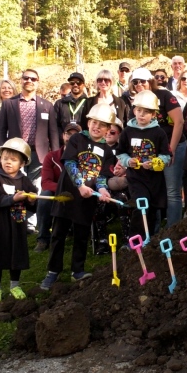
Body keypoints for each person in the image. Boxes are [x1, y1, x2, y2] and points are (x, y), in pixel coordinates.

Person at [40, 104, 116, 289]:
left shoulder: (107, 151)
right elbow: (70, 162)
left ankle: (78, 271)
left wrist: (103, 190)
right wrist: (80, 185)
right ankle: (53, 272)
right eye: (94, 122)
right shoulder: (76, 139)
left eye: (102, 125)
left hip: (86, 201)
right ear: (88, 122)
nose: (97, 127)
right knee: (58, 234)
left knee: (82, 234)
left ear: (108, 129)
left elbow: (102, 176)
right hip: (67, 195)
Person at [0, 69, 59, 233]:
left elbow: (53, 133)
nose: (29, 81)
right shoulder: (9, 104)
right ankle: (16, 222)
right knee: (14, 187)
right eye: (26, 78)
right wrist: (3, 153)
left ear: (38, 82)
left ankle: (30, 225)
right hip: (16, 154)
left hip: (39, 155)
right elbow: (1, 130)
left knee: (34, 189)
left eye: (33, 78)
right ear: (21, 80)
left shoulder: (47, 106)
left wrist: (56, 156)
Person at [126, 67, 185, 226]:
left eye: (142, 81)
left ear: (150, 81)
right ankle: (154, 231)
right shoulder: (136, 101)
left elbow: (179, 122)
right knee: (154, 190)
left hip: (174, 145)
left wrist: (170, 149)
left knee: (172, 191)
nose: (139, 84)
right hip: (149, 151)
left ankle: (173, 230)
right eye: (135, 82)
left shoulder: (164, 95)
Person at [0, 137, 37, 304]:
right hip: (0, 225)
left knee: (17, 253)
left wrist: (32, 200)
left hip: (17, 224)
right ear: (0, 159)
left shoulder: (24, 181)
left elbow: (32, 202)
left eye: (13, 160)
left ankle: (15, 285)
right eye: (5, 158)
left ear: (22, 163)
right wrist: (12, 199)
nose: (8, 162)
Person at [115, 90, 170, 240]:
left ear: (154, 114)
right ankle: (135, 240)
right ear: (134, 110)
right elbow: (120, 152)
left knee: (152, 209)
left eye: (146, 112)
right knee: (141, 205)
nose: (142, 115)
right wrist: (128, 161)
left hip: (154, 179)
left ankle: (151, 239)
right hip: (136, 178)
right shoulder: (127, 131)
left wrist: (155, 163)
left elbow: (166, 156)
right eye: (139, 110)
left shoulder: (159, 133)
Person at [35, 122, 82, 253]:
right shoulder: (51, 157)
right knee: (44, 197)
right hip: (57, 194)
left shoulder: (84, 157)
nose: (71, 137)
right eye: (69, 134)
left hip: (79, 192)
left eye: (76, 134)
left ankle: (78, 233)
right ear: (63, 136)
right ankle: (43, 238)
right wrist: (63, 190)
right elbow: (46, 182)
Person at [92, 119, 130, 254]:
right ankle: (102, 241)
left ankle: (127, 239)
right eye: (106, 131)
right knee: (98, 204)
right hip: (99, 185)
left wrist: (123, 171)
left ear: (119, 134)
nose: (108, 134)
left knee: (122, 201)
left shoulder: (123, 150)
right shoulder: (95, 147)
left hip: (119, 187)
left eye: (112, 132)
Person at [54, 72, 88, 144]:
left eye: (78, 82)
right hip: (64, 144)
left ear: (83, 85)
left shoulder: (89, 103)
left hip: (83, 144)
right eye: (72, 83)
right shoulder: (59, 103)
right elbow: (55, 126)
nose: (75, 85)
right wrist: (64, 137)